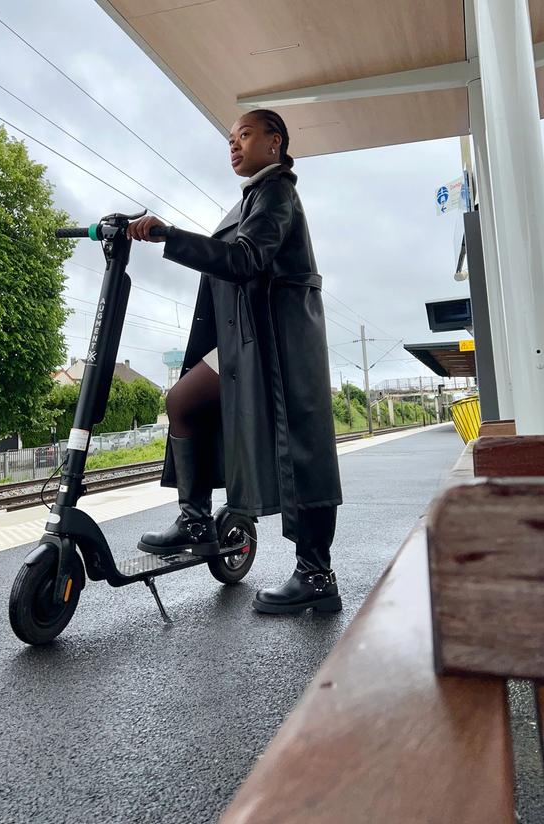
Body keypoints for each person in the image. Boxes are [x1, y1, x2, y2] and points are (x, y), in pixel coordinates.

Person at [126, 109, 342, 615]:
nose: (234, 145)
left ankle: (316, 574)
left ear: (275, 142)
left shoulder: (277, 193)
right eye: (230, 138)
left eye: (245, 135)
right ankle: (196, 517)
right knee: (182, 399)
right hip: (245, 342)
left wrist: (167, 236)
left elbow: (246, 260)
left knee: (302, 451)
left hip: (280, 343)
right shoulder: (251, 198)